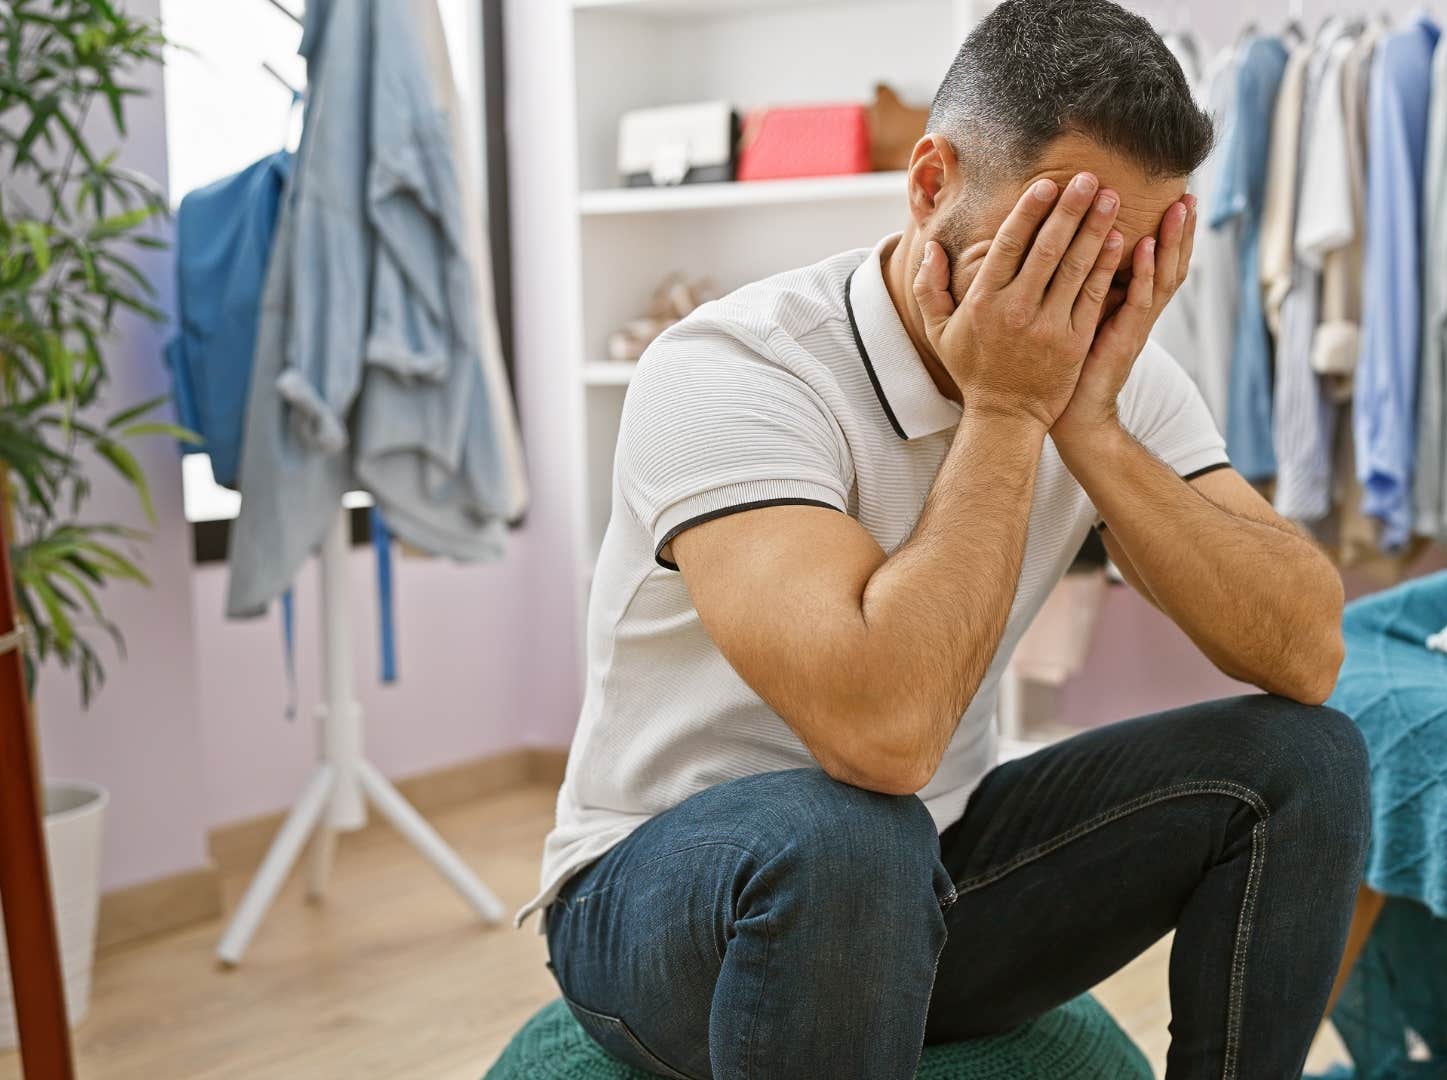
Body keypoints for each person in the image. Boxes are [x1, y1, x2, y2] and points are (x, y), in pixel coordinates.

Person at [524, 2, 1369, 1076]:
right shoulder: (732, 373)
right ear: (931, 187)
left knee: (1306, 756)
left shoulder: (1108, 368)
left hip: (927, 870)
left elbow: (1305, 649)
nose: (1082, 301)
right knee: (851, 832)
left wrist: (1092, 426)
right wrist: (1009, 414)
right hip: (661, 899)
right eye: (1049, 245)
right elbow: (882, 737)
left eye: (1119, 266)